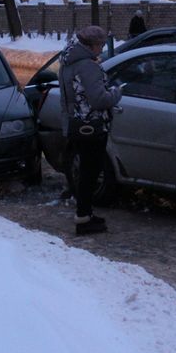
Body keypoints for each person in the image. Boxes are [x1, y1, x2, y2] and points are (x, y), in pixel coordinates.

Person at [58, 25, 123, 235]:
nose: (102, 49)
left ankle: (85, 214)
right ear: (93, 45)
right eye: (101, 45)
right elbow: (98, 99)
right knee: (90, 172)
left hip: (76, 124)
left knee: (85, 171)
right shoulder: (88, 66)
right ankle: (84, 219)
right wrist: (116, 93)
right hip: (92, 126)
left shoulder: (68, 63)